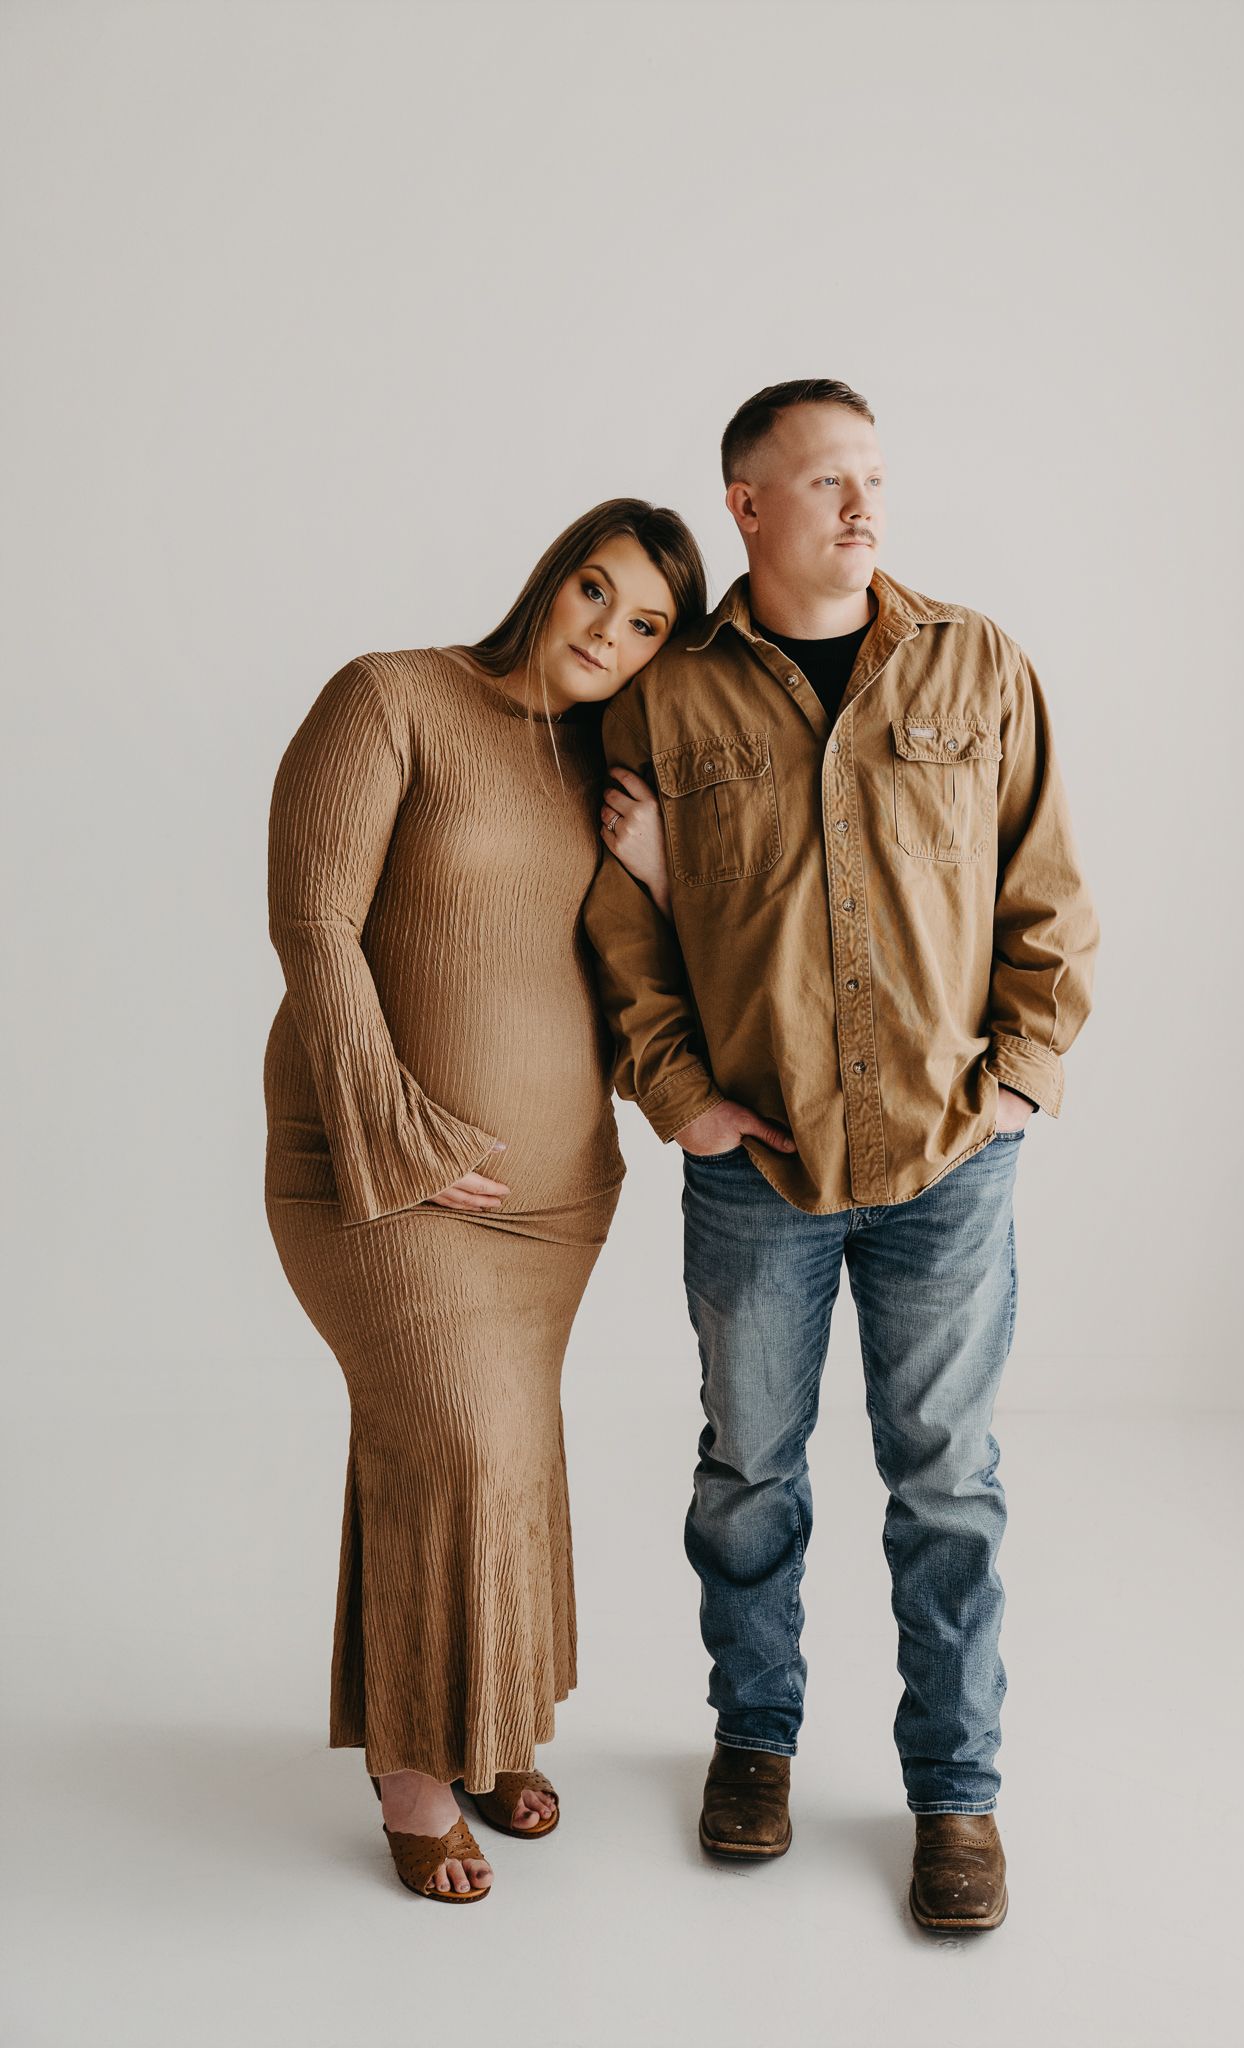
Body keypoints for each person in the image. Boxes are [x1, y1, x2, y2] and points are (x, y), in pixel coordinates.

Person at [585, 380, 1100, 1931]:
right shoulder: (665, 699)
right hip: (756, 1168)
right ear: (745, 505)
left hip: (949, 1163)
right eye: (824, 481)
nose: (862, 504)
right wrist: (679, 1096)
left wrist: (1018, 1082)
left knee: (946, 1484)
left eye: (872, 474)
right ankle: (753, 1742)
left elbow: (1047, 896)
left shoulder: (975, 662)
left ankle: (955, 1796)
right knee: (747, 1473)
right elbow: (624, 935)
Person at [264, 499, 706, 1902]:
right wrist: (393, 1131)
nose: (609, 633)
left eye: (648, 625)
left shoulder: (609, 769)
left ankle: (489, 1724)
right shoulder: (392, 696)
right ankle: (412, 1768)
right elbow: (312, 921)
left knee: (504, 1450)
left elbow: (644, 966)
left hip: (552, 1200)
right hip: (373, 1173)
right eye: (597, 590)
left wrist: (659, 870)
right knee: (454, 1437)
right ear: (553, 574)